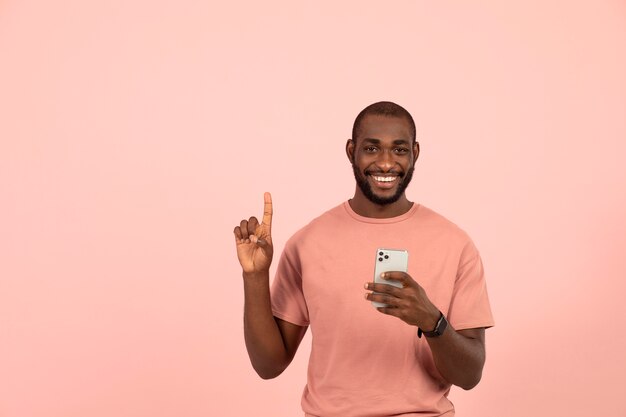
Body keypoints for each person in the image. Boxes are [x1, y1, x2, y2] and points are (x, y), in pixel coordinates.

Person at [233, 101, 494, 417]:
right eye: (372, 149)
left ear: (415, 153)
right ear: (351, 151)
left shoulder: (456, 244)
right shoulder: (307, 243)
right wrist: (255, 277)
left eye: (399, 151)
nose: (386, 163)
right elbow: (268, 365)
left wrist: (432, 322)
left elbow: (470, 375)